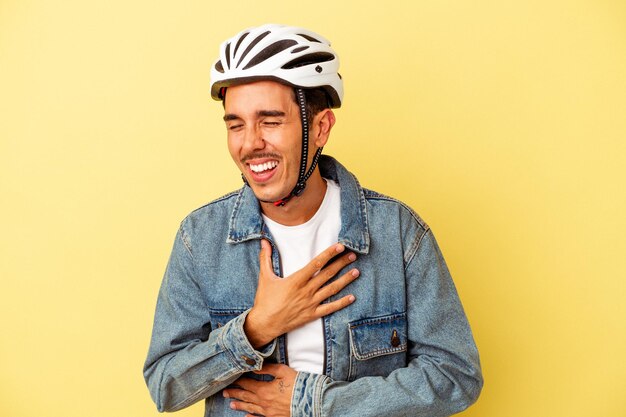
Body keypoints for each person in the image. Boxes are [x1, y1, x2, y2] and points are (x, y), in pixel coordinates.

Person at [143, 24, 483, 417]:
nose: (250, 142)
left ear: (319, 128)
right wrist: (256, 329)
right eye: (235, 124)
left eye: (269, 121)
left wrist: (312, 402)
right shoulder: (200, 238)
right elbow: (165, 385)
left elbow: (456, 376)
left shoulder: (398, 232)